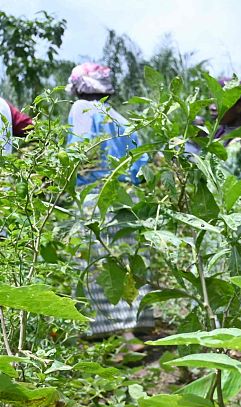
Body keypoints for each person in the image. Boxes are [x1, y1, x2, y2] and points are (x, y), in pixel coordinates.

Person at [65, 62, 154, 340]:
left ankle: (110, 336)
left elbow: (81, 153)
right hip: (128, 196)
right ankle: (132, 332)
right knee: (127, 261)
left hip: (97, 195)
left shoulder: (81, 109)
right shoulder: (120, 117)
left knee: (98, 262)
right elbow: (142, 166)